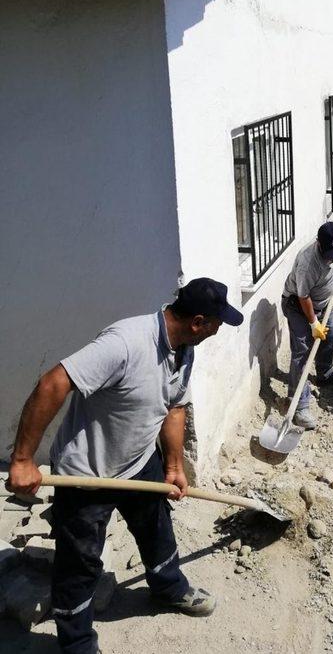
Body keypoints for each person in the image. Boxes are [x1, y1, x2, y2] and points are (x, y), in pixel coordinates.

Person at [7, 278, 243, 654]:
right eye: (216, 325)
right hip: (88, 475)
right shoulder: (125, 343)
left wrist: (173, 466)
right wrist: (22, 460)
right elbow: (53, 383)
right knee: (80, 566)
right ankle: (78, 644)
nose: (217, 332)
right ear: (198, 321)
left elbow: (175, 406)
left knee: (157, 530)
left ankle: (169, 588)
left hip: (138, 463)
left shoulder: (183, 348)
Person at [281, 221, 333, 430]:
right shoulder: (308, 263)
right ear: (320, 245)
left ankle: (325, 374)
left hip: (324, 302)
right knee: (302, 353)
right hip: (298, 305)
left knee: (331, 336)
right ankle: (299, 405)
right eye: (332, 253)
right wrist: (313, 323)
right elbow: (303, 296)